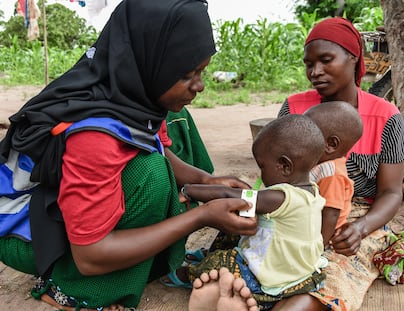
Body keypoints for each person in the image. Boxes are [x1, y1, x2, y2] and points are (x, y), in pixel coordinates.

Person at [0, 0, 258, 310]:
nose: (199, 86)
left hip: (58, 209)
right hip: (25, 233)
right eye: (188, 74)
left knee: (177, 125)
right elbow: (91, 254)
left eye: (201, 71)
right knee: (152, 176)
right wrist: (198, 217)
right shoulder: (94, 135)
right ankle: (74, 292)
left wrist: (206, 179)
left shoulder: (134, 94)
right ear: (151, 61)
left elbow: (156, 144)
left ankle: (146, 243)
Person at [275, 17, 404, 310]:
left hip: (357, 215)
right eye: (309, 64)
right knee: (256, 256)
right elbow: (275, 171)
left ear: (353, 57)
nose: (315, 72)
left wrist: (360, 229)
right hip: (295, 204)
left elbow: (390, 192)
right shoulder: (294, 108)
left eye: (325, 60)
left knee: (330, 275)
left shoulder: (386, 117)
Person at [171, 114, 327, 310]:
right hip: (302, 277)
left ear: (285, 166)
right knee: (236, 225)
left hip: (269, 280)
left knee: (221, 262)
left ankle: (191, 275)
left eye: (262, 166)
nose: (260, 173)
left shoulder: (280, 197)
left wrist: (189, 190)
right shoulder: (311, 191)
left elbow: (230, 195)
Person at [305, 101, 363, 247]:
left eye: (306, 135)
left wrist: (318, 247)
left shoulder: (332, 174)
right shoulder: (320, 163)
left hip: (325, 231)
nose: (300, 139)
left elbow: (330, 214)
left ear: (330, 144)